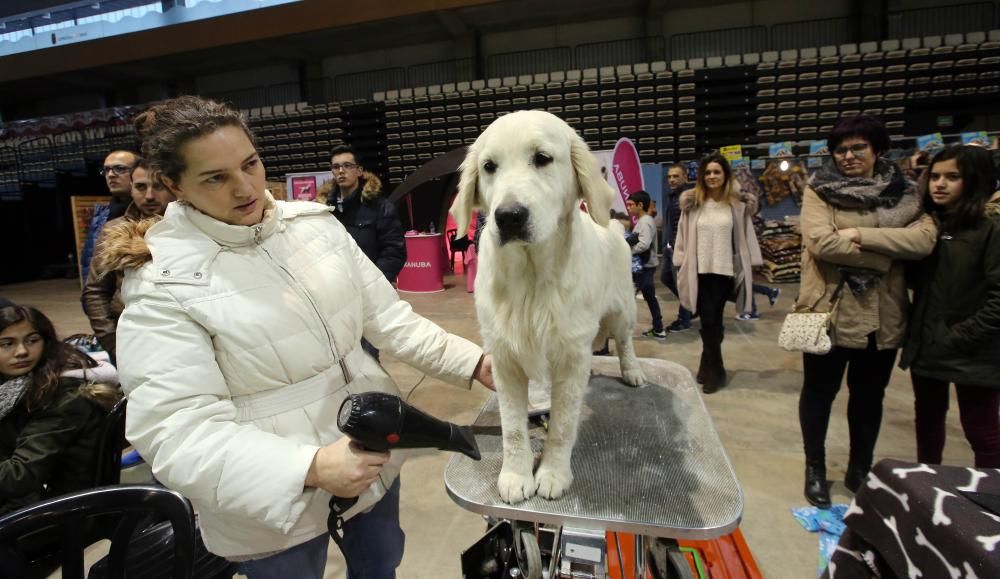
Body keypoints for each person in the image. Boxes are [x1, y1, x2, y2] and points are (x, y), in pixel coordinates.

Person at [108, 96, 493, 578]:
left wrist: (475, 362)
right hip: (270, 498)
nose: (245, 187)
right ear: (173, 185)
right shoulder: (163, 282)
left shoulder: (313, 227)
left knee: (381, 565)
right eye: (215, 178)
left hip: (370, 454)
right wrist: (308, 467)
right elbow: (175, 431)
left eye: (249, 164)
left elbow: (390, 319)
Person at [797, 115, 937, 509]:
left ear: (878, 150)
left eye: (858, 147)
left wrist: (860, 235)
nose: (849, 156)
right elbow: (822, 243)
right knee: (819, 394)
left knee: (869, 397)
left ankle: (860, 468)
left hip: (883, 314)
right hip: (829, 310)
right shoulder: (819, 190)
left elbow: (924, 240)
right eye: (841, 149)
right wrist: (886, 255)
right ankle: (815, 469)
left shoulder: (906, 192)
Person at [900, 145, 1000, 468]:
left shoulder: (991, 229)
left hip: (974, 353)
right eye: (935, 176)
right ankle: (929, 488)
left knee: (982, 432)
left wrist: (958, 336)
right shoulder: (928, 227)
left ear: (974, 180)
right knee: (928, 427)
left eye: (952, 177)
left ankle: (990, 502)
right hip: (927, 346)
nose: (939, 184)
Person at [1, 305, 119, 515]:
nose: (22, 352)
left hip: (54, 513)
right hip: (30, 500)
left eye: (32, 340)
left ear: (46, 342)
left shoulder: (64, 394)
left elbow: (19, 476)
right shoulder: (16, 385)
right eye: (7, 344)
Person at [673, 153, 762, 394]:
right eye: (708, 172)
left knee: (713, 321)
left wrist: (750, 263)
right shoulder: (693, 205)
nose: (712, 176)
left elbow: (745, 236)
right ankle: (712, 366)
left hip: (724, 272)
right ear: (702, 177)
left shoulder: (737, 205)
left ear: (725, 175)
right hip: (698, 271)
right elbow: (682, 234)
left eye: (717, 172)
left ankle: (713, 368)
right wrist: (680, 261)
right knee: (708, 321)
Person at [317, 145, 406, 362]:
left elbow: (394, 252)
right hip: (333, 299)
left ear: (359, 170)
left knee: (367, 361)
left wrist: (371, 285)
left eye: (347, 165)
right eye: (336, 166)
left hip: (367, 299)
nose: (341, 171)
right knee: (338, 360)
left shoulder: (381, 207)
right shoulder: (322, 210)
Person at [83, 157, 175, 360]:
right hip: (132, 336)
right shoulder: (114, 230)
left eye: (159, 186)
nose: (149, 196)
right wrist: (113, 344)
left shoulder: (193, 225)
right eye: (141, 187)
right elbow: (95, 292)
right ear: (132, 188)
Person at [80, 150, 140, 282]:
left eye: (120, 168)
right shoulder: (100, 216)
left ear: (138, 172)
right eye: (106, 170)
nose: (111, 175)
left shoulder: (149, 212)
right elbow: (89, 265)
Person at [626, 191, 665, 339]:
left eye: (631, 205)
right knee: (649, 297)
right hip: (646, 266)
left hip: (645, 267)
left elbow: (644, 244)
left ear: (640, 205)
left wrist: (627, 251)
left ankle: (621, 330)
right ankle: (658, 328)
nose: (628, 207)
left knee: (628, 298)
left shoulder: (645, 222)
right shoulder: (643, 221)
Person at [662, 163, 695, 332]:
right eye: (669, 176)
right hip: (669, 248)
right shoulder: (672, 196)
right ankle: (690, 307)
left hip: (680, 249)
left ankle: (684, 318)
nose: (672, 179)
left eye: (676, 176)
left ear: (685, 177)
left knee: (681, 283)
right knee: (665, 277)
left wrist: (680, 247)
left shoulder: (688, 197)